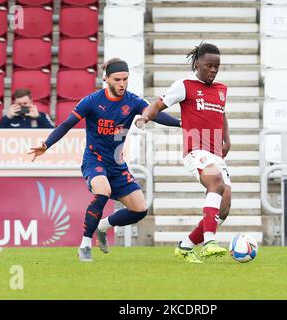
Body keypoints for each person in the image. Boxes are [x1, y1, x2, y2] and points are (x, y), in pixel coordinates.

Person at [28, 58, 180, 262]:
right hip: (94, 160)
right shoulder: (91, 101)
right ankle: (84, 245)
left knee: (140, 210)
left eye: (126, 79)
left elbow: (153, 114)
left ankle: (103, 226)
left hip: (117, 165)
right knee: (103, 191)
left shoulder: (133, 101)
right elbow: (66, 125)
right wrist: (46, 144)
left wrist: (181, 123)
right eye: (117, 79)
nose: (122, 84)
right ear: (106, 79)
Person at [136, 42, 232, 263]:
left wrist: (227, 138)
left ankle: (186, 246)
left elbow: (222, 114)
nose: (213, 70)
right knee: (215, 181)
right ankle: (209, 242)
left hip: (216, 152)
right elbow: (158, 105)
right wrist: (145, 117)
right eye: (209, 66)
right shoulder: (184, 85)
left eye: (217, 67)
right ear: (197, 63)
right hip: (195, 150)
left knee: (224, 209)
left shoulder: (221, 89)